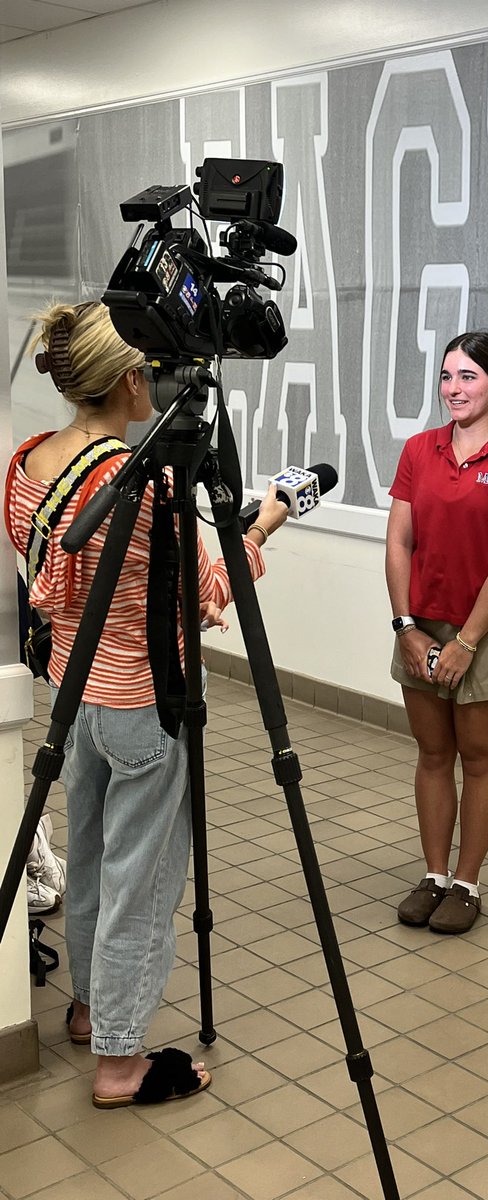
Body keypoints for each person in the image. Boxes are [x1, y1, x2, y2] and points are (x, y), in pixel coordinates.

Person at [4, 301, 288, 1107]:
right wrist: (261, 528)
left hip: (74, 692)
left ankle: (93, 1009)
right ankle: (122, 1065)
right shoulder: (146, 485)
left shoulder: (26, 463)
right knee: (142, 882)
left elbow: (60, 585)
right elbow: (204, 595)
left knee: (92, 858)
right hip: (142, 708)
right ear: (132, 380)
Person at [386, 331, 488, 934]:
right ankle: (433, 875)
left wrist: (466, 644)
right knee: (432, 754)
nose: (454, 388)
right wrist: (406, 628)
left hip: (486, 630)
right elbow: (400, 541)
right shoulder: (419, 450)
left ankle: (468, 882)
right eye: (447, 376)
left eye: (469, 377)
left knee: (478, 758)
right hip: (420, 626)